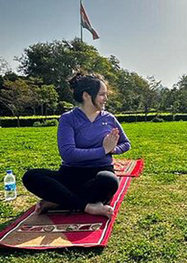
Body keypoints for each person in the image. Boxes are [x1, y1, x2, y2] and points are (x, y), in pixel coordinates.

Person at [22, 72, 131, 218]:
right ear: (86, 95)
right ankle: (87, 206)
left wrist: (113, 149)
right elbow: (69, 154)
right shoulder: (68, 119)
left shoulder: (109, 118)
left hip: (99, 174)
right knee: (31, 176)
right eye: (101, 94)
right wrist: (103, 150)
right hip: (71, 174)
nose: (105, 98)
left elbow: (126, 143)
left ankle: (60, 201)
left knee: (109, 181)